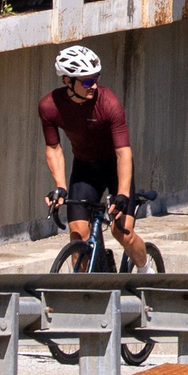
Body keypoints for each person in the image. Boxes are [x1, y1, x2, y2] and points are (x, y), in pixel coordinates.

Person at [39, 44, 150, 269]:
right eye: (87, 81)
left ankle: (147, 269)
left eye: (96, 78)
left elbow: (123, 153)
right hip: (85, 169)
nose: (94, 85)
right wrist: (60, 186)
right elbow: (53, 148)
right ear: (67, 81)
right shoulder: (49, 106)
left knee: (122, 233)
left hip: (114, 168)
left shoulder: (108, 103)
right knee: (78, 235)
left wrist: (122, 194)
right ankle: (88, 287)